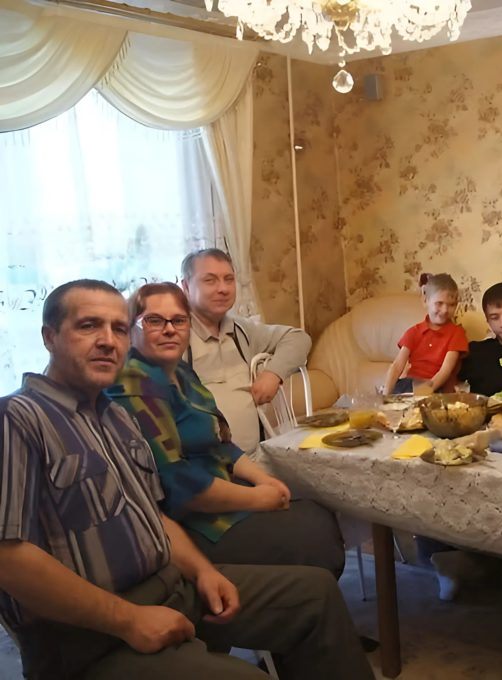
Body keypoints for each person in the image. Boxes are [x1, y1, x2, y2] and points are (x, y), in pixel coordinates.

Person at [0, 279, 373, 680]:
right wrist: (128, 619)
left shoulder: (114, 417)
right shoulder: (18, 418)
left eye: (118, 328)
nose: (108, 341)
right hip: (91, 633)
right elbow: (8, 557)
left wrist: (202, 572)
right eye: (89, 325)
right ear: (49, 337)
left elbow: (154, 515)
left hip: (170, 585)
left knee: (316, 595)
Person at [106, 283, 346, 579]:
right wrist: (257, 499)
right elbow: (178, 484)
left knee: (316, 513)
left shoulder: (181, 372)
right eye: (154, 321)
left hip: (222, 490)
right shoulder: (134, 382)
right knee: (310, 534)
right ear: (131, 328)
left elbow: (221, 443)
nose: (169, 329)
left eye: (178, 320)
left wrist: (263, 480)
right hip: (189, 522)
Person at [181, 248, 311, 453]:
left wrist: (273, 373)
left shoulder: (242, 330)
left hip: (255, 459)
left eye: (229, 279)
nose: (223, 289)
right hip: (207, 464)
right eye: (210, 280)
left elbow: (298, 338)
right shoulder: (175, 337)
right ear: (186, 287)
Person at [383, 273, 468, 394]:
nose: (445, 310)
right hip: (410, 385)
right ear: (425, 301)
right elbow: (397, 366)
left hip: (436, 387)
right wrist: (385, 396)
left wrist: (423, 393)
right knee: (397, 391)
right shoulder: (414, 332)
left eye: (451, 305)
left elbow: (445, 371)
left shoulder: (457, 333)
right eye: (439, 303)